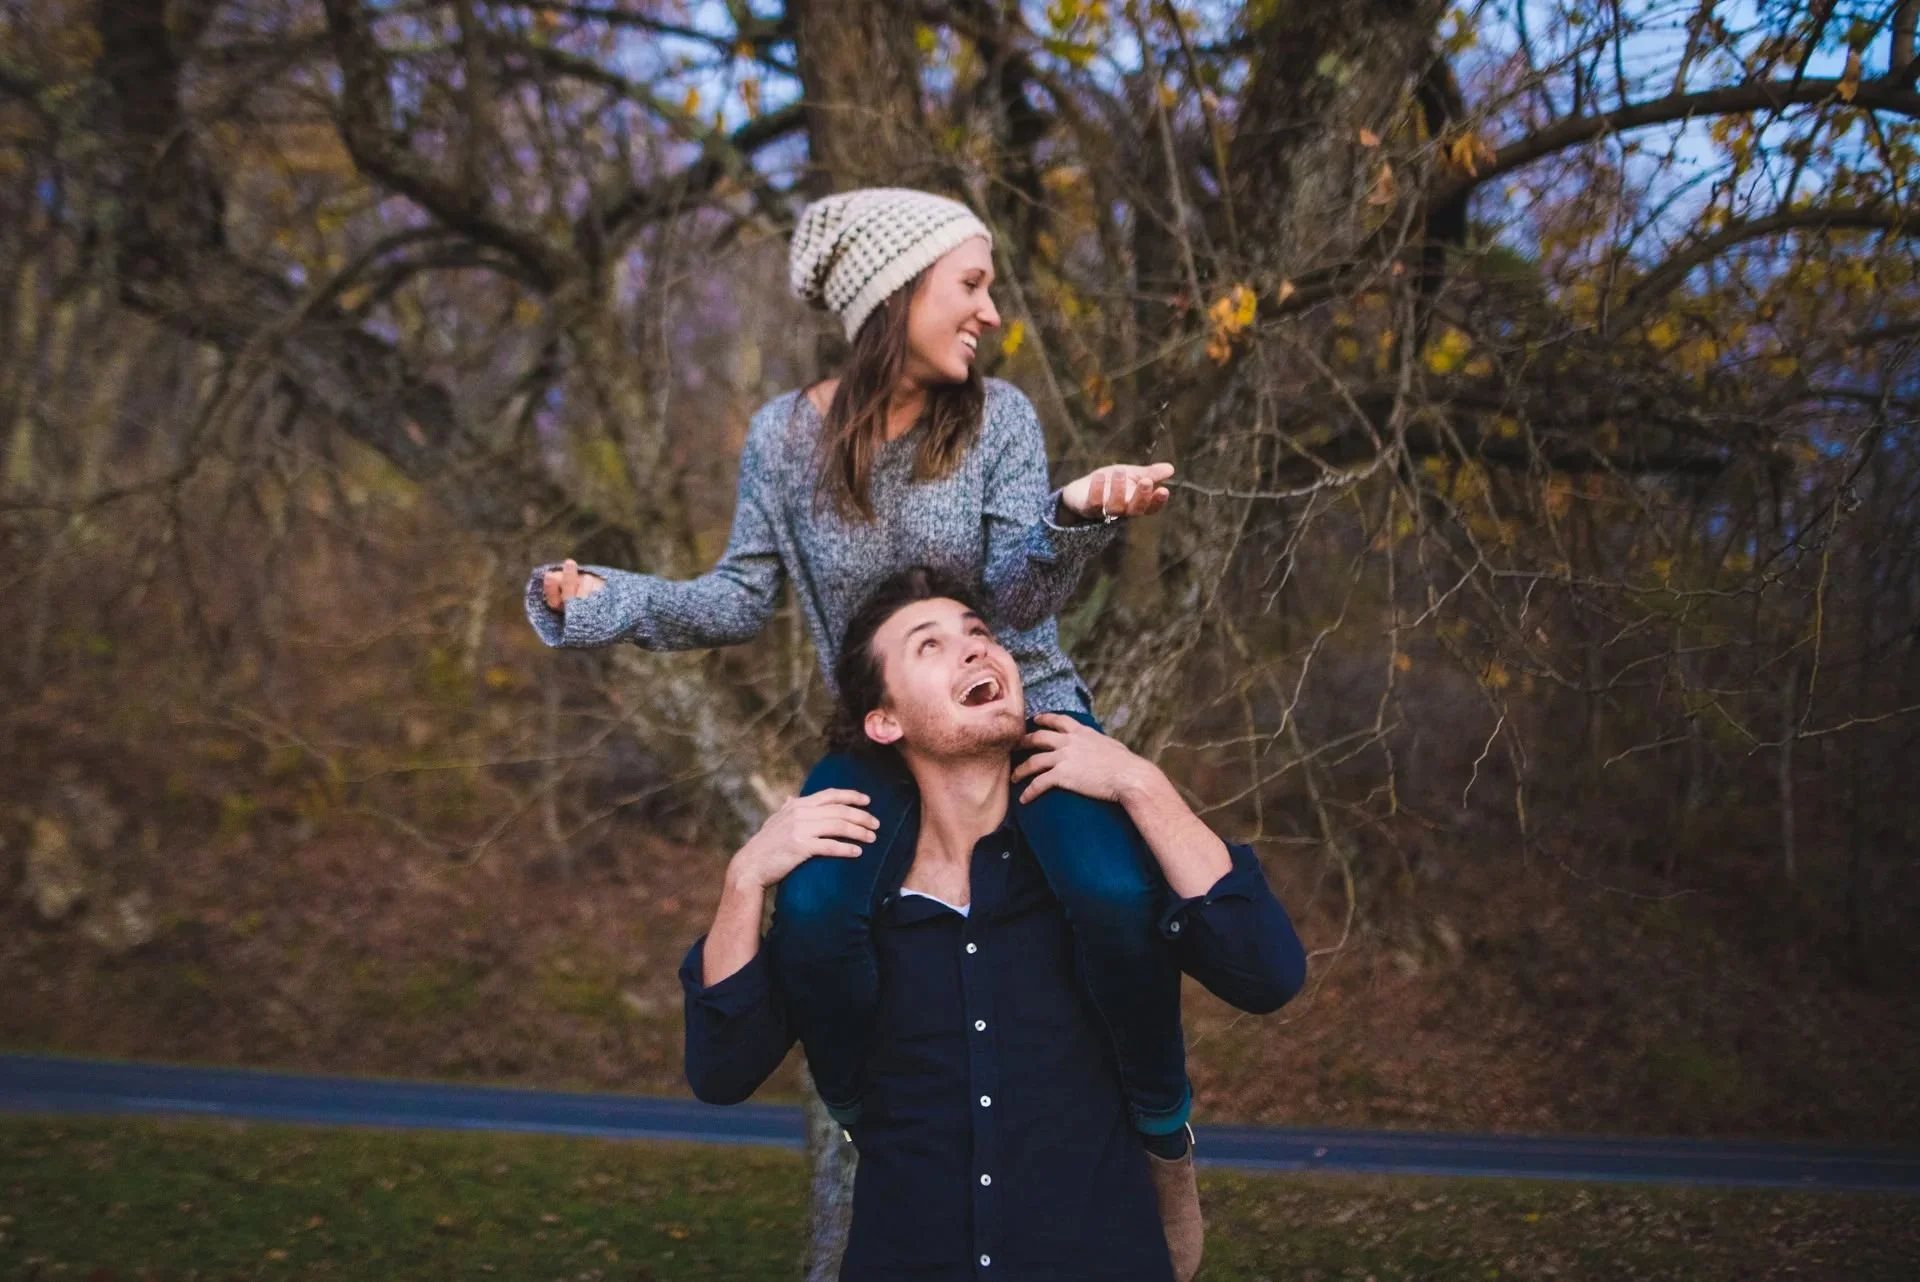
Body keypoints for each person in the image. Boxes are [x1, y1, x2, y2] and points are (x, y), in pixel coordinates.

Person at [525, 188, 1190, 1199]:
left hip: (1028, 712)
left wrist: (1073, 513)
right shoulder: (783, 438)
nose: (989, 311)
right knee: (823, 910)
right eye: (969, 284)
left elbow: (1014, 590)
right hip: (882, 738)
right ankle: (874, 1128)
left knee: (1108, 891)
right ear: (896, 292)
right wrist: (600, 602)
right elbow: (739, 598)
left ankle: (1161, 1130)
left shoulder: (997, 419)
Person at [681, 568, 1308, 1282]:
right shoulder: (849, 906)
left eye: (980, 634)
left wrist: (1141, 782)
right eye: (931, 645)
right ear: (885, 720)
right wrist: (745, 878)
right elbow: (722, 1072)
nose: (976, 651)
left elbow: (1268, 973)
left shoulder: (1095, 869)